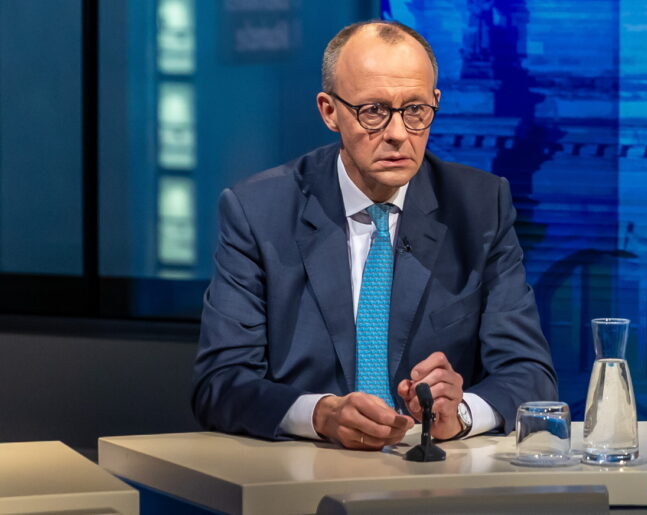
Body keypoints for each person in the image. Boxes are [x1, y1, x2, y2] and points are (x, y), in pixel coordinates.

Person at [192, 20, 557, 450]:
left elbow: (531, 375)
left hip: (438, 482)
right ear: (330, 111)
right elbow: (220, 383)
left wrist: (458, 414)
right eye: (374, 111)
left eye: (416, 111)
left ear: (435, 104)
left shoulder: (480, 209)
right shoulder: (258, 212)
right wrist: (319, 414)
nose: (398, 133)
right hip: (303, 478)